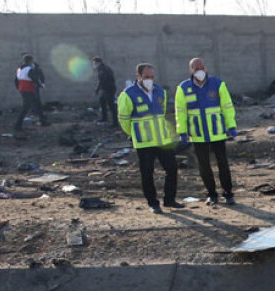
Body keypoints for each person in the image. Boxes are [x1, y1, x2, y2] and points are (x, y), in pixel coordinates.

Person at [118, 63, 184, 214]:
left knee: (172, 169)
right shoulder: (128, 94)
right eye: (146, 77)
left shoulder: (160, 92)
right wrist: (134, 134)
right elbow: (123, 119)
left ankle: (170, 200)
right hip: (144, 142)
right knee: (147, 173)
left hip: (162, 140)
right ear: (138, 77)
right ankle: (153, 203)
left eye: (152, 77)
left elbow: (162, 115)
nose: (150, 80)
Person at [175, 57, 237, 206]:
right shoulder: (183, 88)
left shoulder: (217, 84)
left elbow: (227, 106)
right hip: (198, 134)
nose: (200, 71)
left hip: (217, 132)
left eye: (201, 68)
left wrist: (231, 126)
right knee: (204, 166)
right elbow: (180, 111)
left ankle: (228, 193)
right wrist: (182, 131)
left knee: (223, 164)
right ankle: (211, 194)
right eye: (196, 69)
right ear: (191, 70)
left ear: (205, 68)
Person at [14, 54, 49, 131]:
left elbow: (16, 80)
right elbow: (34, 78)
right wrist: (41, 85)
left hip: (23, 89)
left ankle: (43, 121)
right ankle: (17, 126)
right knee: (25, 108)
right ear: (30, 61)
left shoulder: (19, 69)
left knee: (38, 104)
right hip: (28, 90)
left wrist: (18, 87)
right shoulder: (29, 69)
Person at [93, 57, 118, 126]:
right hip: (105, 89)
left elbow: (103, 79)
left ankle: (115, 123)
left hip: (109, 89)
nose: (94, 65)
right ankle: (104, 118)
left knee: (111, 105)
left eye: (95, 63)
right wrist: (98, 88)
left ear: (99, 63)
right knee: (102, 101)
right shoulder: (100, 69)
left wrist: (98, 88)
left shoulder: (105, 69)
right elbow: (101, 80)